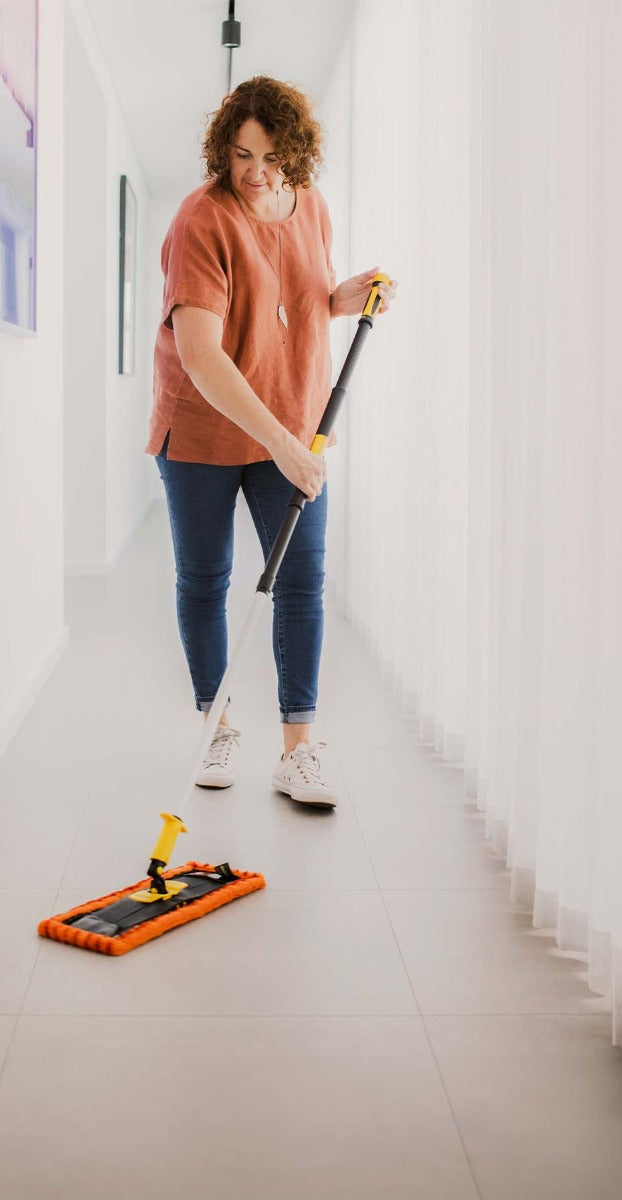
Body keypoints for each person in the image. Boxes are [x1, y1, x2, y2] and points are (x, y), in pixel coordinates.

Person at [145, 76, 397, 807]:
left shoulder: (311, 206)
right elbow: (202, 354)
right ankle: (215, 722)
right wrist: (284, 445)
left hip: (291, 420)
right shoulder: (201, 219)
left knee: (302, 579)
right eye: (241, 153)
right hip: (199, 425)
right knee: (206, 578)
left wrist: (347, 296)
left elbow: (297, 298)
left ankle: (299, 750)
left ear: (298, 155)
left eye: (271, 156)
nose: (255, 171)